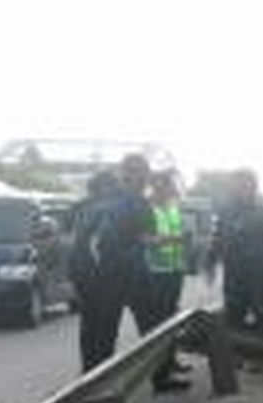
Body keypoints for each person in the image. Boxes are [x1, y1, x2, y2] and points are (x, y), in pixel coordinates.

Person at [70, 156, 157, 374]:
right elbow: (148, 239)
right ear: (142, 175)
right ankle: (159, 376)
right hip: (123, 275)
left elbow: (78, 244)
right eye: (144, 174)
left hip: (90, 278)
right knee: (150, 327)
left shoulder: (86, 205)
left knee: (95, 335)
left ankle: (89, 385)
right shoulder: (136, 202)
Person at [208, 170, 263, 332]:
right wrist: (211, 259)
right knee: (233, 317)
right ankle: (236, 353)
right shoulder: (226, 213)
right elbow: (218, 238)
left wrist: (259, 251)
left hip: (259, 274)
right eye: (235, 185)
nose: (237, 189)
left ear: (253, 187)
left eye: (243, 185)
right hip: (234, 274)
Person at [144, 169, 192, 386]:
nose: (173, 188)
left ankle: (171, 360)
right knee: (159, 322)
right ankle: (160, 371)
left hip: (174, 270)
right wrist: (176, 239)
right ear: (157, 185)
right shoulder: (147, 208)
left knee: (172, 318)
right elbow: (146, 240)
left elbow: (181, 233)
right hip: (156, 273)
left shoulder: (173, 207)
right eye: (169, 184)